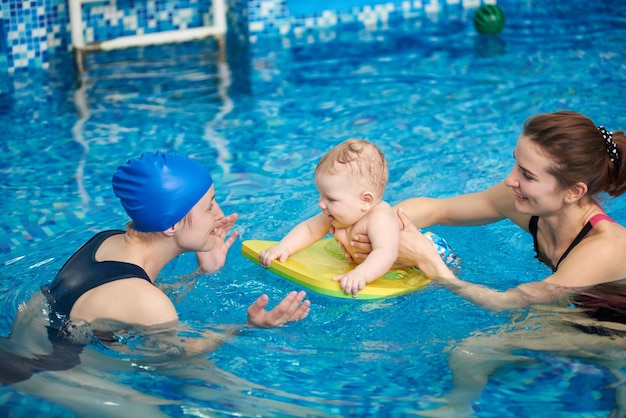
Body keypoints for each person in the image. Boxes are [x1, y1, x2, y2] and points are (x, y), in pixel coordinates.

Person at [348, 111, 626, 414]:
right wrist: (373, 227)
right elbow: (437, 210)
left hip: (619, 334)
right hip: (582, 306)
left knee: (472, 351)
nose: (511, 179)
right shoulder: (525, 203)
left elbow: (502, 303)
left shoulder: (603, 247)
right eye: (516, 163)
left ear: (574, 191)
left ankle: (455, 409)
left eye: (527, 175)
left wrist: (432, 265)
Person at [2, 151, 310, 388]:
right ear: (173, 224)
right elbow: (176, 355)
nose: (220, 216)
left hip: (27, 340)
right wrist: (248, 327)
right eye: (209, 206)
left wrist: (202, 273)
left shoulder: (108, 240)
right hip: (47, 371)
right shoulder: (147, 301)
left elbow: (125, 300)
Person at [259, 138, 399, 297]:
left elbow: (386, 252)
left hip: (395, 274)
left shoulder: (380, 218)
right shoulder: (340, 213)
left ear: (365, 200)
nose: (321, 204)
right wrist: (284, 247)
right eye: (321, 196)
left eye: (330, 199)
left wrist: (361, 274)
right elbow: (310, 229)